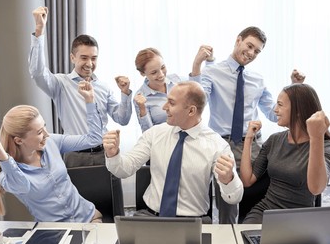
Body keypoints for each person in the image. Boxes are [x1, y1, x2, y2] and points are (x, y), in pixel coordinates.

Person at [190, 26, 306, 224]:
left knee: (257, 195)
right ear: (238, 40)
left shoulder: (257, 80)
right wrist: (197, 65)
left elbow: (272, 113)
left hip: (251, 145)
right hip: (222, 145)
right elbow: (196, 102)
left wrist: (295, 87)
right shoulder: (213, 72)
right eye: (249, 46)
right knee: (227, 202)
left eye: (257, 51)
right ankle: (228, 239)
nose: (251, 53)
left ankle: (251, 238)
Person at [103, 81, 243, 222]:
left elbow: (234, 198)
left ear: (191, 111)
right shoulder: (154, 134)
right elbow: (123, 170)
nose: (164, 107)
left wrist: (228, 180)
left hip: (192, 222)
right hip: (151, 219)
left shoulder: (217, 145)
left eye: (171, 103)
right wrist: (113, 154)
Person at [0, 82, 103, 223]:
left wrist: (89, 100)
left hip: (88, 218)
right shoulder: (7, 176)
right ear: (19, 140)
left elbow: (94, 139)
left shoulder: (51, 142)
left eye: (44, 126)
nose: (47, 134)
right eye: (40, 132)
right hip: (56, 234)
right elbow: (21, 185)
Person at [29, 6, 133, 167]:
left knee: (109, 193)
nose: (89, 64)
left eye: (94, 58)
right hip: (75, 157)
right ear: (72, 57)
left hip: (105, 154)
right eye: (84, 58)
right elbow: (37, 72)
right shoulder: (60, 83)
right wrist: (39, 31)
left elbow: (123, 119)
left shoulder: (103, 87)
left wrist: (125, 94)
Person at [240, 83, 330, 224]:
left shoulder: (326, 146)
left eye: (280, 105)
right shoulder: (274, 140)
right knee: (245, 241)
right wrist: (248, 138)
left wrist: (316, 137)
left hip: (300, 217)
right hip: (266, 211)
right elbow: (247, 180)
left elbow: (316, 188)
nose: (275, 110)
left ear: (298, 110)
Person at [133, 47, 210, 132]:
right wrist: (142, 109)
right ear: (143, 73)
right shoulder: (140, 98)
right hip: (165, 143)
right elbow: (147, 133)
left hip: (191, 136)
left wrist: (197, 64)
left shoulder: (177, 80)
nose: (161, 75)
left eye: (162, 67)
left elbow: (199, 98)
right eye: (154, 72)